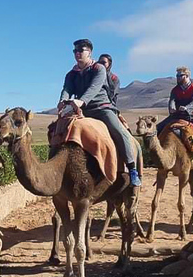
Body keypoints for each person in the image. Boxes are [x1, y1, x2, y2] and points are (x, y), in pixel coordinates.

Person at [58, 39, 141, 186]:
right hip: (80, 110)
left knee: (118, 131)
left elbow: (94, 88)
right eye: (75, 51)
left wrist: (81, 101)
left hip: (101, 108)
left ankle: (132, 169)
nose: (77, 53)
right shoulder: (72, 74)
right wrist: (63, 101)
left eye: (80, 50)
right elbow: (67, 89)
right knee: (58, 129)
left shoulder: (99, 69)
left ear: (89, 52)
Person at [156, 66, 193, 152]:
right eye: (177, 76)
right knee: (157, 129)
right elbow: (172, 100)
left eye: (180, 76)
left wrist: (186, 108)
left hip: (192, 116)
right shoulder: (175, 90)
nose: (177, 78)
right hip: (177, 115)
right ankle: (156, 152)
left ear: (187, 76)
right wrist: (171, 108)